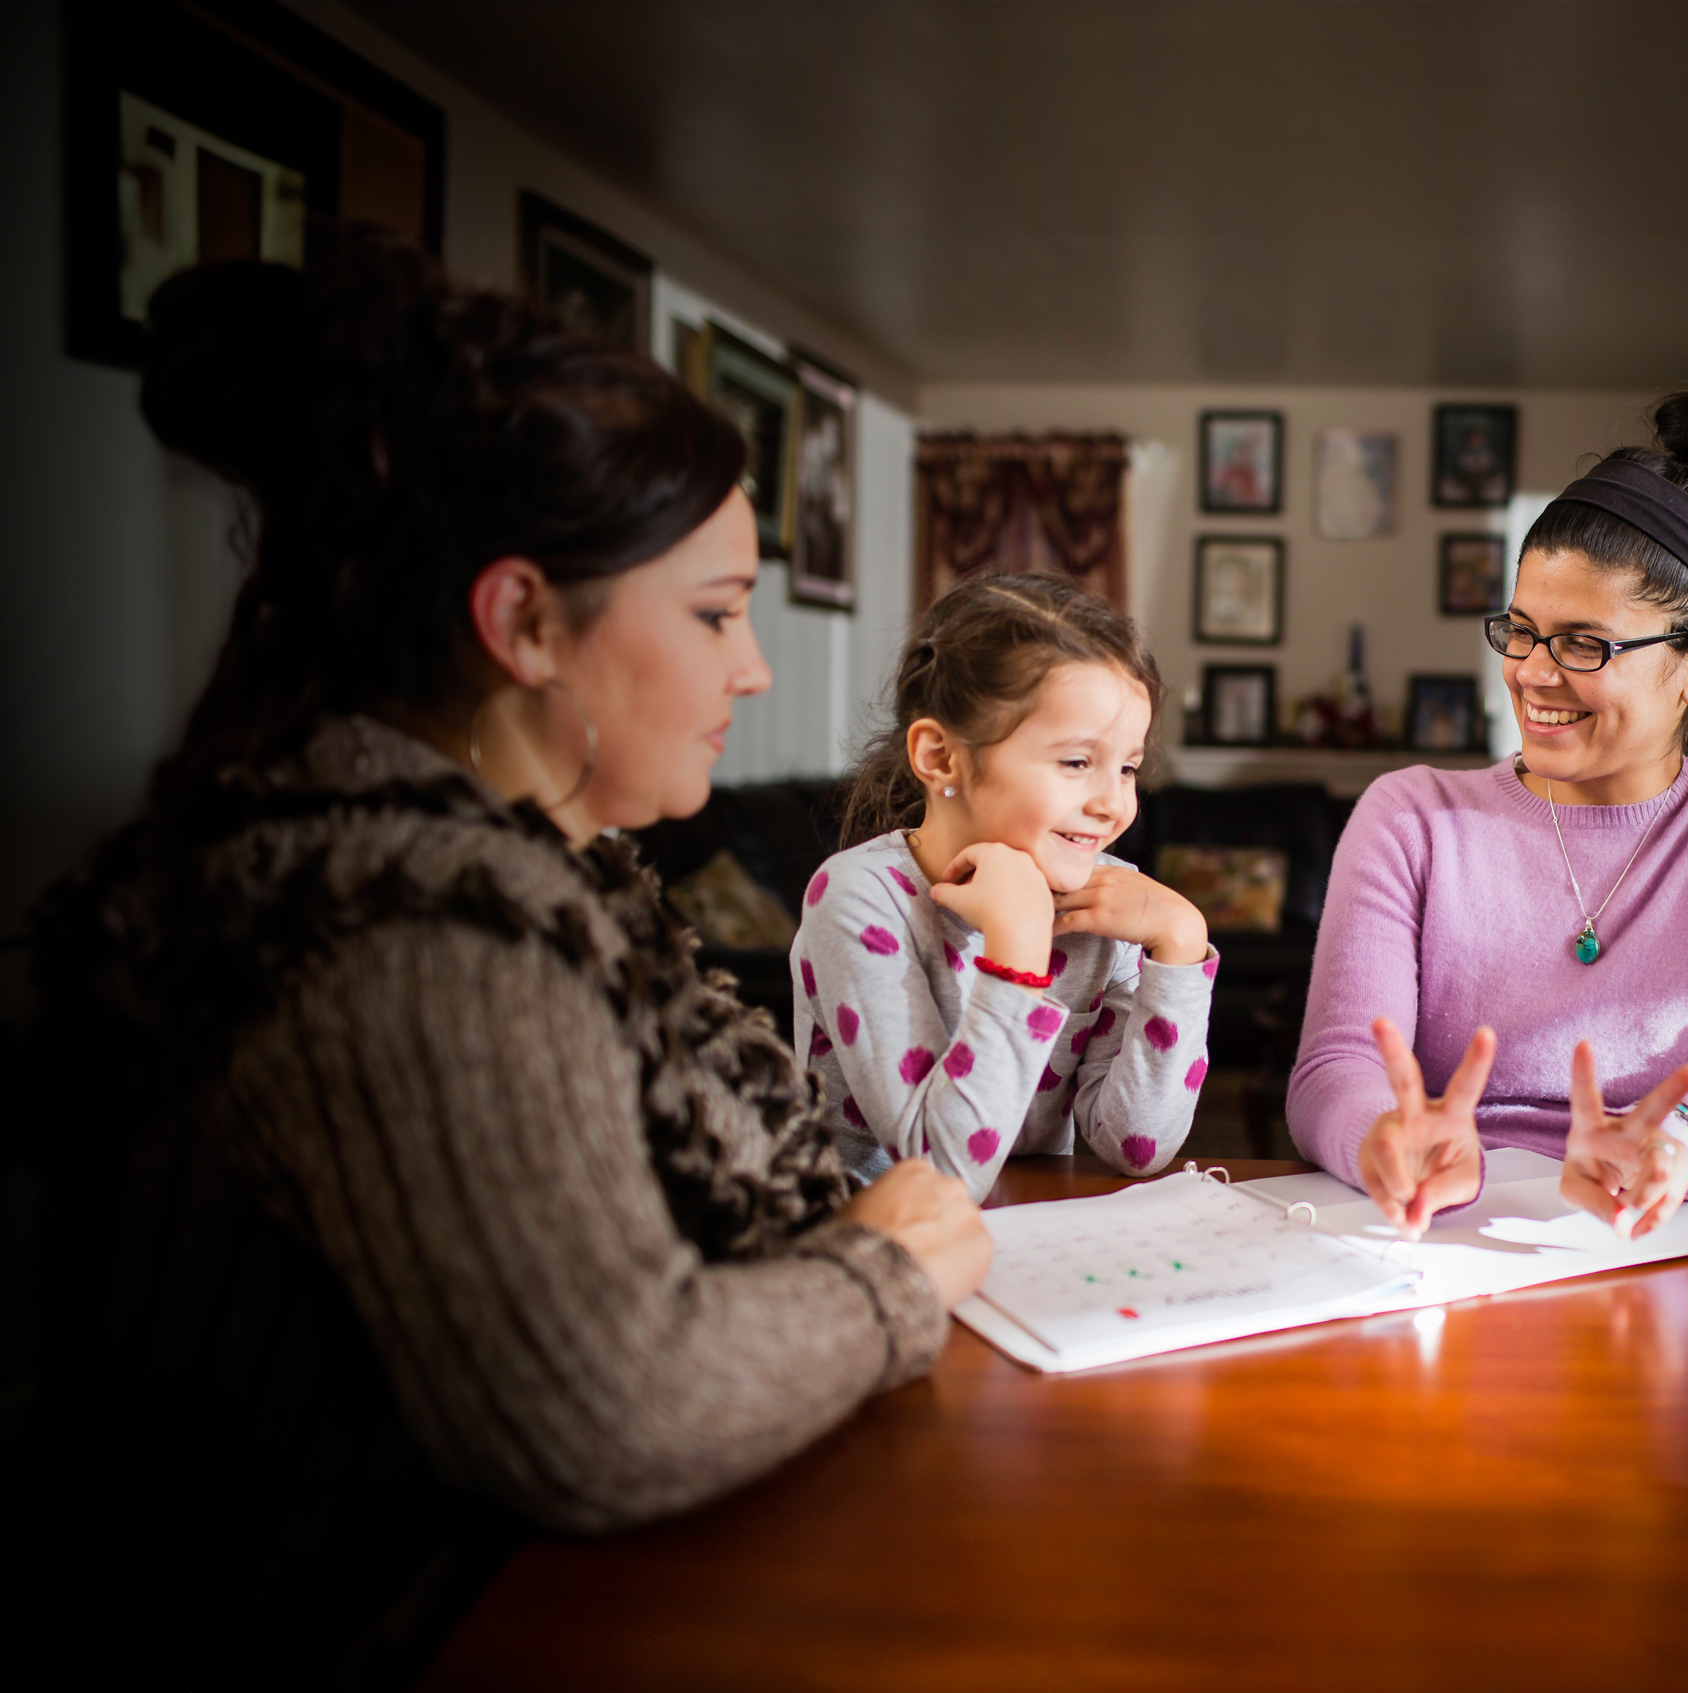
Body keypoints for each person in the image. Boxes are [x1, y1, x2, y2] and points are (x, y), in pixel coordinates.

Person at [5, 239, 988, 1687]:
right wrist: (881, 1276)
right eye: (716, 613)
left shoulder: (513, 876)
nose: (754, 668)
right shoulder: (406, 931)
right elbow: (608, 1407)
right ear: (525, 620)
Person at [1287, 387, 1688, 1240]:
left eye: (1584, 644)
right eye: (1519, 630)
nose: (1531, 672)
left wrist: (1680, 1145)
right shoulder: (1412, 815)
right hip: (1440, 1235)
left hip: (1672, 1235)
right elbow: (1335, 1067)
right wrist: (1381, 1136)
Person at [797, 575, 1216, 1197]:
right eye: (1076, 762)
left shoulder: (1109, 906)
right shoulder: (859, 900)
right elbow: (942, 1176)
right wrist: (1016, 952)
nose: (1113, 804)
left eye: (1127, 767)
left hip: (1031, 1243)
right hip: (875, 1254)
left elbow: (1137, 1146)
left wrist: (1181, 946)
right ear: (941, 758)